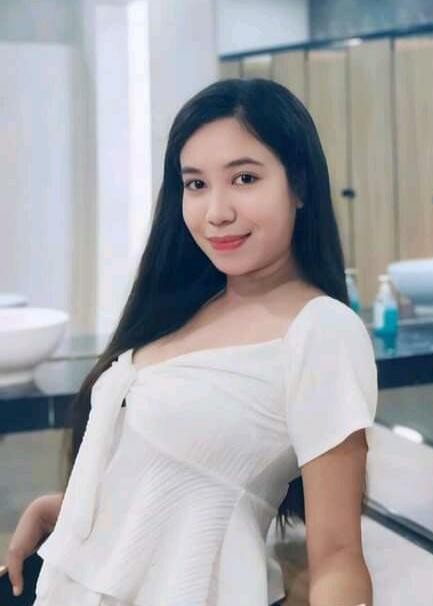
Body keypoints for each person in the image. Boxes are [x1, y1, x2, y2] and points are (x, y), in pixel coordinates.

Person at [5, 78, 378, 606]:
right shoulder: (184, 304)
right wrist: (71, 508)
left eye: (244, 178)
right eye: (196, 184)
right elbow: (185, 472)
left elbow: (338, 559)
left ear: (299, 185)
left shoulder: (321, 331)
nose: (216, 212)